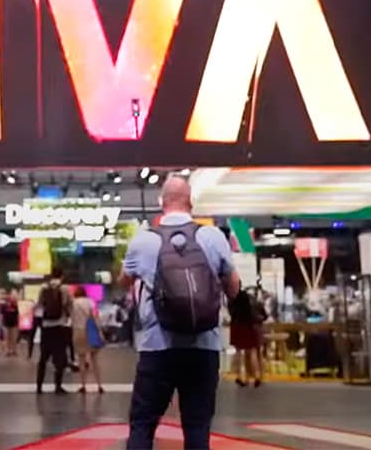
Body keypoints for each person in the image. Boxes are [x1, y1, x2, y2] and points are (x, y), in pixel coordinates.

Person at [121, 174, 240, 450]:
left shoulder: (143, 241)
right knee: (197, 426)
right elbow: (233, 288)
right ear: (190, 201)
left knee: (143, 424)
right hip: (204, 345)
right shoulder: (213, 237)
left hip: (157, 347)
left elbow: (124, 281)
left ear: (162, 202)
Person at [36, 266, 72, 395]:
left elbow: (39, 305)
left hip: (46, 326)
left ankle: (39, 386)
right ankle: (58, 386)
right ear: (62, 275)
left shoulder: (43, 288)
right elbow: (68, 305)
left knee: (43, 358)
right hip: (59, 326)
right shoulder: (65, 289)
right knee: (60, 357)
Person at [72, 285, 104, 393]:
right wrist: (99, 331)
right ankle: (99, 385)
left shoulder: (74, 303)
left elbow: (71, 318)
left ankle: (83, 385)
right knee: (95, 360)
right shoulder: (91, 302)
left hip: (78, 331)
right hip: (91, 332)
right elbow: (95, 317)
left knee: (81, 360)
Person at [229, 287, 263, 387]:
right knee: (252, 351)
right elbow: (255, 313)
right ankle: (256, 376)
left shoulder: (232, 299)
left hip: (236, 326)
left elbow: (231, 313)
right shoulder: (248, 297)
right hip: (248, 325)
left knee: (238, 352)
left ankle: (239, 376)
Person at [2, 290, 20, 357]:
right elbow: (2, 312)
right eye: (12, 296)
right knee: (7, 337)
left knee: (14, 337)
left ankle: (14, 350)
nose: (13, 298)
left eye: (15, 296)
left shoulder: (17, 305)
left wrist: (15, 305)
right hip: (6, 322)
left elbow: (19, 312)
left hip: (14, 323)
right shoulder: (5, 304)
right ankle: (8, 350)